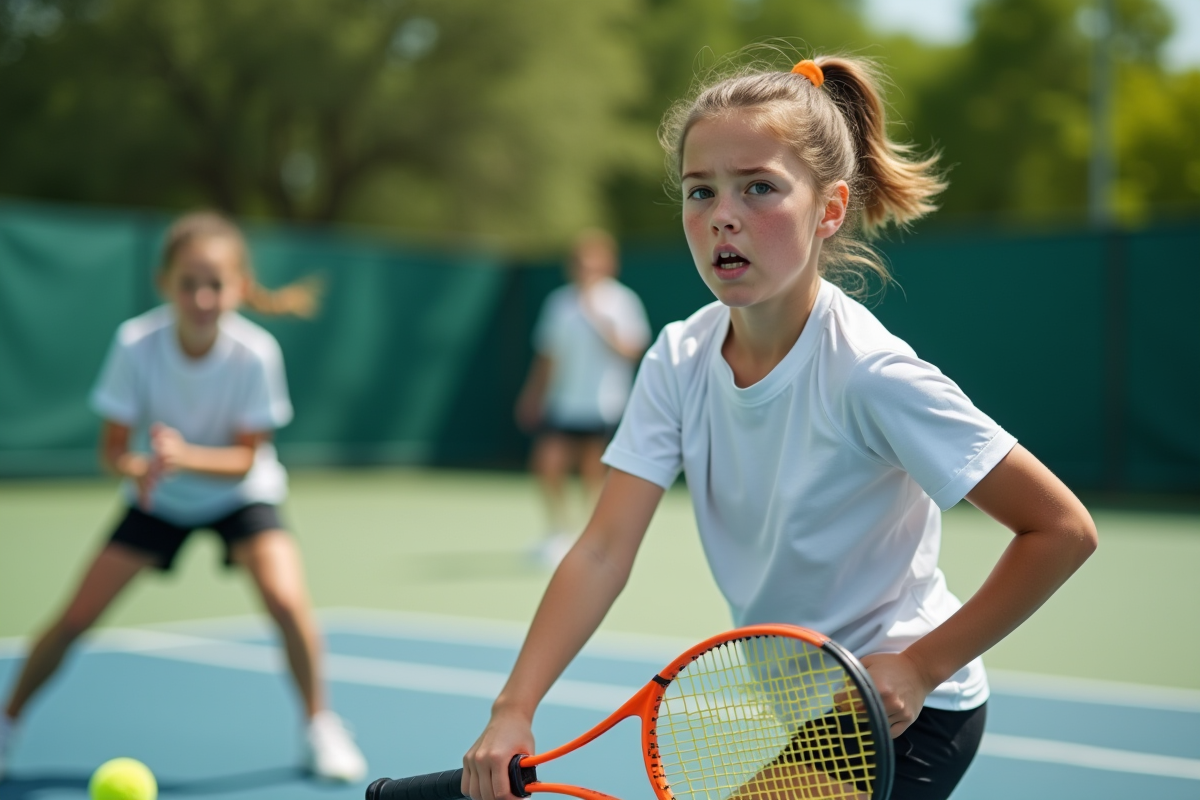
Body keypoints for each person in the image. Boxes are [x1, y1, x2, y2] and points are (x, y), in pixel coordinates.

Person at [463, 51, 1098, 800]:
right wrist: (514, 709)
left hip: (901, 711)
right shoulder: (677, 359)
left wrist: (920, 667)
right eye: (700, 191)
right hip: (805, 707)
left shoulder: (869, 373)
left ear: (829, 209)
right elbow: (602, 551)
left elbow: (1062, 529)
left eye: (758, 187)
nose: (722, 214)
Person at [0, 212, 367, 782]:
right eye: (188, 282)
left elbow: (248, 457)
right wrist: (140, 466)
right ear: (163, 282)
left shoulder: (256, 354)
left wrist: (185, 455)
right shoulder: (134, 344)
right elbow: (112, 451)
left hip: (242, 495)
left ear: (240, 287)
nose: (201, 296)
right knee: (75, 617)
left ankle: (320, 725)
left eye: (215, 283)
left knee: (287, 601)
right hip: (161, 498)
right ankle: (7, 723)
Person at [514, 229, 650, 567]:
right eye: (578, 262)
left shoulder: (622, 302)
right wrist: (533, 395)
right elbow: (548, 355)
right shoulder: (558, 303)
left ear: (607, 265)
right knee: (547, 463)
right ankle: (559, 531)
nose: (583, 269)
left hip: (605, 405)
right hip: (564, 405)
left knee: (594, 474)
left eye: (591, 263)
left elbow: (632, 351)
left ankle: (591, 537)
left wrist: (598, 321)